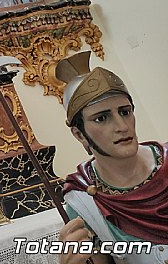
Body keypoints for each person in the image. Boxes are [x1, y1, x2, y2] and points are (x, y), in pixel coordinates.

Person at [55, 51, 168, 264]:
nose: (122, 126)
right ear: (80, 134)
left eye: (125, 112)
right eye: (102, 118)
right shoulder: (85, 202)